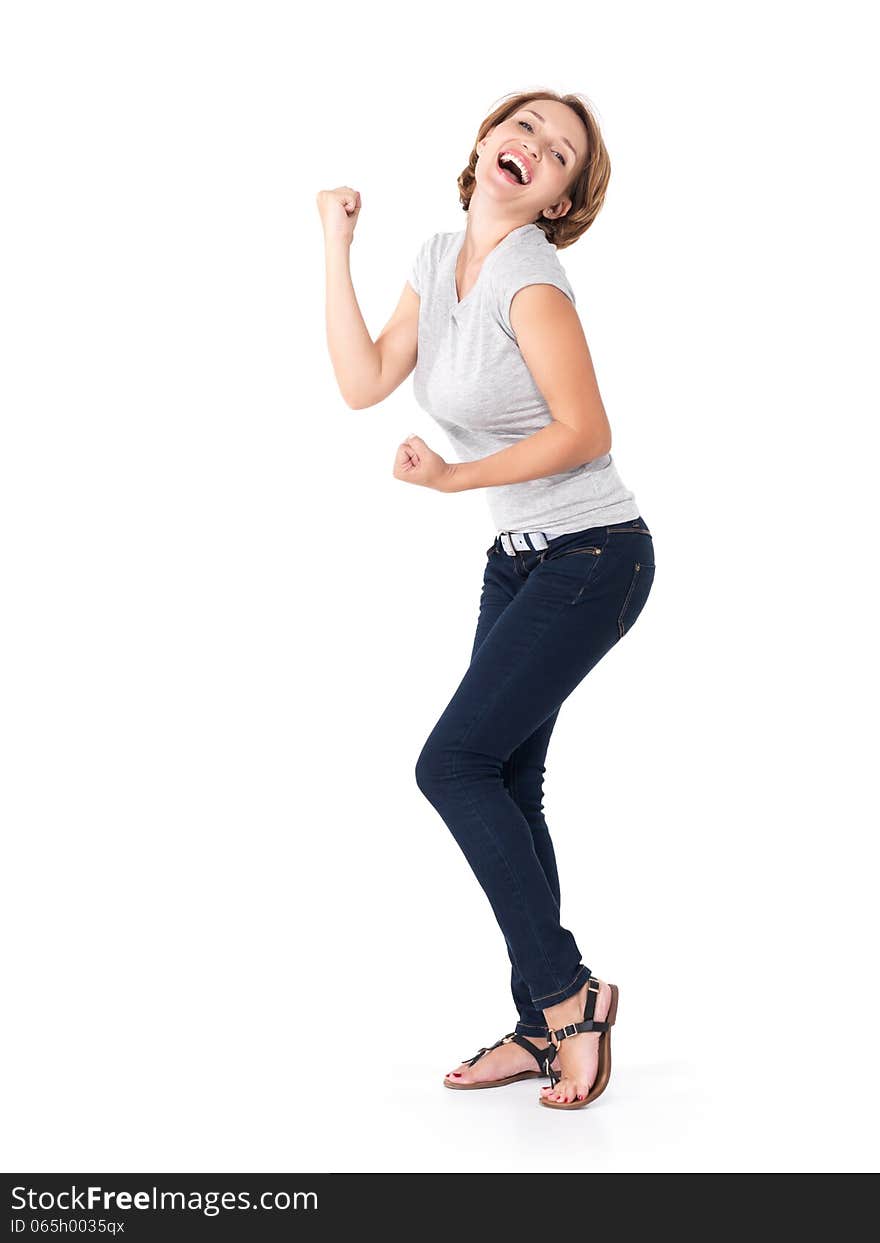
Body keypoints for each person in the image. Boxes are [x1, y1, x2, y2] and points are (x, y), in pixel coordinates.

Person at [317, 88, 655, 1111]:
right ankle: (538, 1021)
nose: (533, 148)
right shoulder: (436, 258)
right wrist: (335, 244)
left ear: (557, 201)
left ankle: (566, 996)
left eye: (558, 155)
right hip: (520, 558)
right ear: (483, 139)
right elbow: (365, 378)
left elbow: (585, 433)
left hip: (594, 555)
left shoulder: (532, 283)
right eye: (526, 128)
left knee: (451, 763)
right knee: (503, 778)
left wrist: (451, 480)